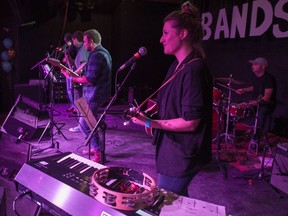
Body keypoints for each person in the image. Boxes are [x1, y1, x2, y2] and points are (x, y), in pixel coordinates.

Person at [131, 1, 213, 196]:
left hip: (182, 154)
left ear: (183, 34)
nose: (161, 39)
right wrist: (149, 114)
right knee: (178, 202)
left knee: (165, 201)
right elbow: (170, 104)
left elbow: (191, 122)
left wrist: (151, 121)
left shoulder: (194, 69)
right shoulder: (177, 66)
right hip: (171, 149)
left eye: (166, 33)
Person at [61, 29, 112, 163]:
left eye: (84, 41)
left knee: (85, 124)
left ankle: (98, 151)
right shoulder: (104, 52)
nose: (83, 45)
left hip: (94, 95)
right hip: (96, 94)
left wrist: (71, 78)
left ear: (90, 41)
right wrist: (72, 76)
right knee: (90, 123)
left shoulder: (96, 55)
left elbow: (89, 79)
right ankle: (96, 148)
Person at [236, 57, 276, 138]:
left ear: (263, 66)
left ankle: (255, 139)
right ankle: (238, 134)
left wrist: (251, 103)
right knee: (237, 107)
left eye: (255, 64)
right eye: (252, 64)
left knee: (260, 113)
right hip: (255, 102)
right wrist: (244, 90)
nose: (252, 66)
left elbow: (266, 98)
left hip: (266, 104)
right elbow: (254, 87)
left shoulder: (269, 78)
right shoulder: (255, 76)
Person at [68, 30, 90, 133]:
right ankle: (84, 124)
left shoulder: (82, 50)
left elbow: (84, 63)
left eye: (73, 41)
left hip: (81, 81)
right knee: (80, 103)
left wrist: (74, 74)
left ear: (75, 39)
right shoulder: (82, 49)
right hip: (81, 80)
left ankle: (82, 125)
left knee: (79, 103)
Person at [62, 33, 78, 114]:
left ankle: (76, 107)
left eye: (66, 41)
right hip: (67, 70)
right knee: (69, 90)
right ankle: (72, 105)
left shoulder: (73, 48)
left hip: (72, 70)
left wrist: (67, 58)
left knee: (72, 89)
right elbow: (64, 60)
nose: (66, 42)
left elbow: (71, 60)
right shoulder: (68, 48)